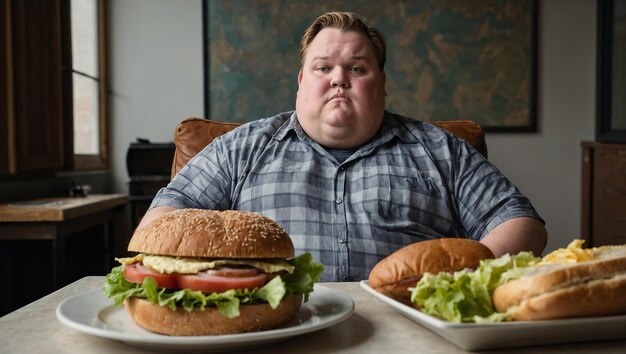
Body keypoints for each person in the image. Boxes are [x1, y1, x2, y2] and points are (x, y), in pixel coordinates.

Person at [138, 11, 547, 282]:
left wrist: (462, 283)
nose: (339, 79)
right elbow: (158, 223)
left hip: (412, 330)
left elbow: (520, 222)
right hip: (271, 329)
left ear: (382, 84)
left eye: (356, 68)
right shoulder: (240, 148)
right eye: (323, 67)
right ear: (302, 82)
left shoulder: (441, 149)